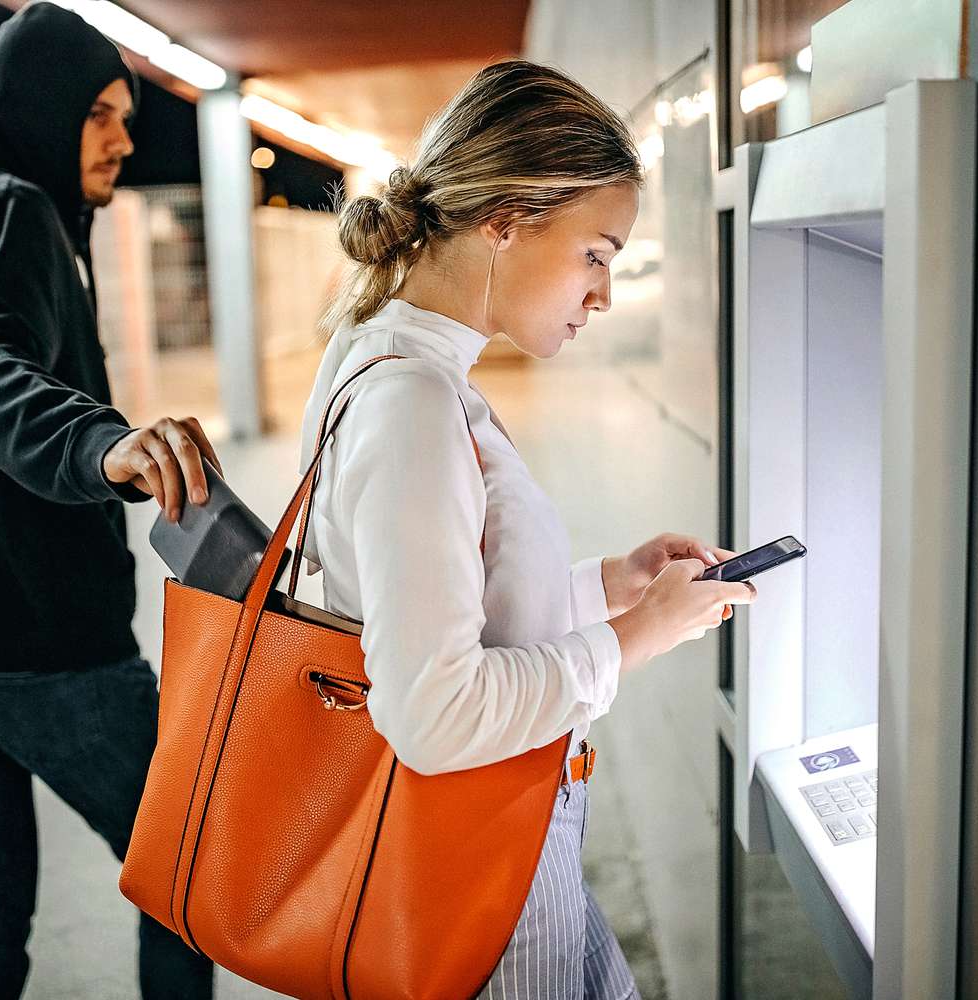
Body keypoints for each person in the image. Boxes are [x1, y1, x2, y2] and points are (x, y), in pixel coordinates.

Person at [298, 60, 756, 998]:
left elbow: (453, 601)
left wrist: (608, 584)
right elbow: (434, 714)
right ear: (504, 218)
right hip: (482, 867)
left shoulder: (389, 358)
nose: (603, 295)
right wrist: (637, 637)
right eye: (598, 252)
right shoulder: (413, 403)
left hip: (497, 846)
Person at [0, 4, 217, 997]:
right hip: (37, 649)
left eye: (125, 114)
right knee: (189, 869)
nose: (123, 138)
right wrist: (105, 447)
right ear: (39, 108)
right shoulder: (15, 208)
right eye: (99, 114)